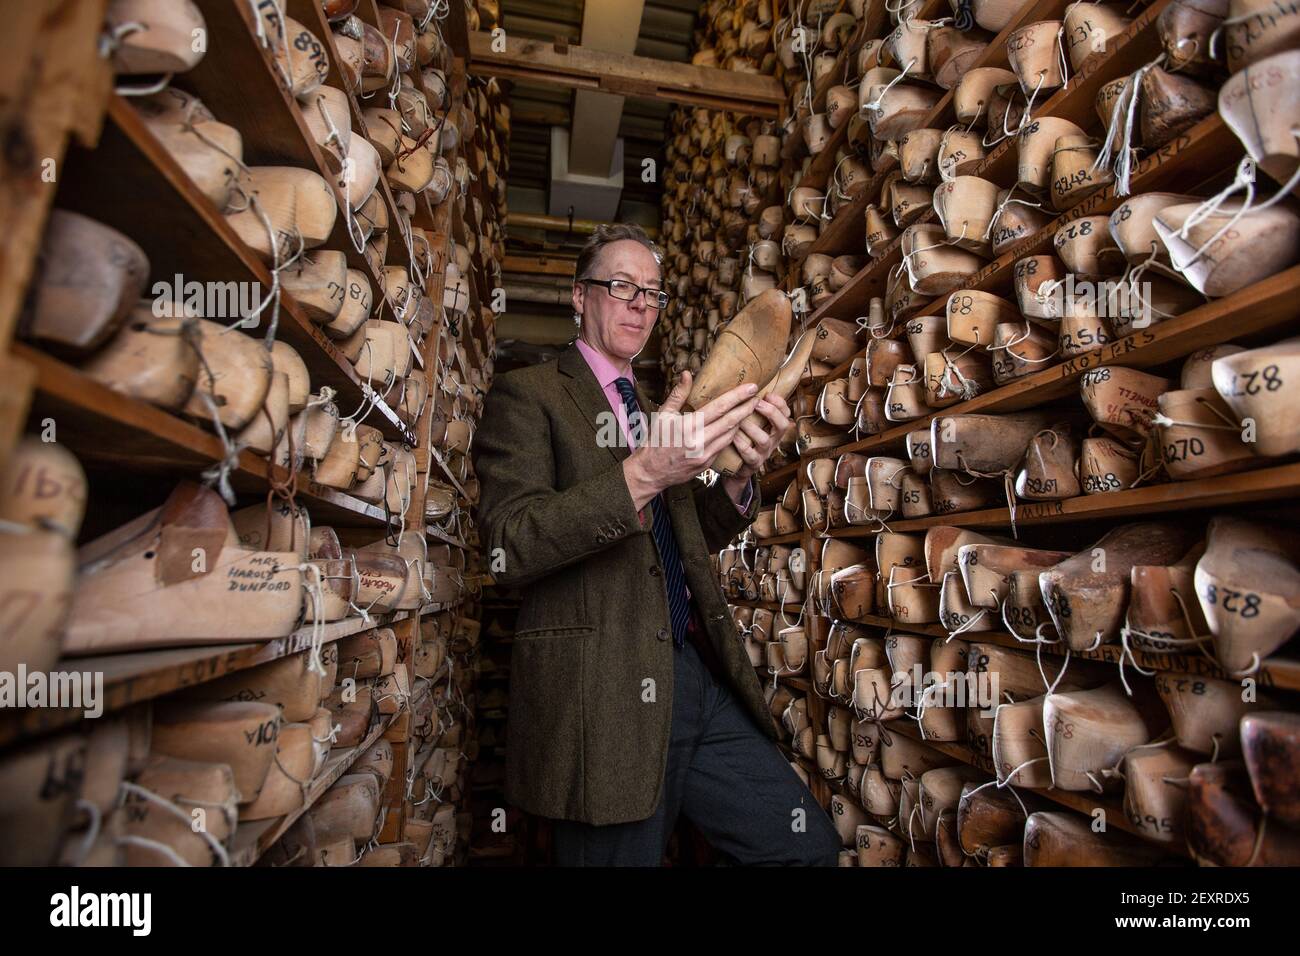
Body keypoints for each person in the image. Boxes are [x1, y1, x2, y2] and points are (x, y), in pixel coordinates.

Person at [474, 223, 840, 866]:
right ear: (579, 298)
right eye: (621, 286)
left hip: (693, 674)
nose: (640, 302)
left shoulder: (658, 408)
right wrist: (643, 472)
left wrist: (737, 478)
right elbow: (510, 545)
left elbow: (681, 540)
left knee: (803, 848)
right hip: (603, 691)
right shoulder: (527, 396)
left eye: (652, 291)